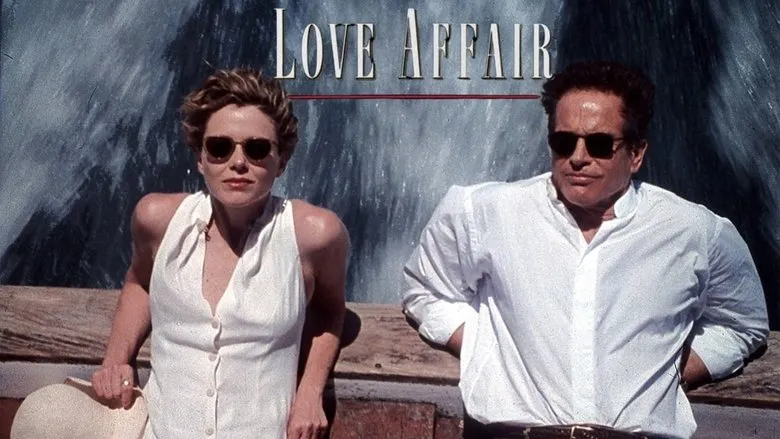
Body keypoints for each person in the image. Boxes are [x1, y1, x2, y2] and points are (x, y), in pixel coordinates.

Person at [401, 60, 769, 439]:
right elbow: (425, 291)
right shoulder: (482, 212)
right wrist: (484, 348)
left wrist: (671, 369)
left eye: (599, 144)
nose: (578, 157)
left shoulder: (696, 232)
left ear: (636, 154)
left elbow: (742, 323)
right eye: (564, 142)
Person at [92, 68, 349, 439]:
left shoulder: (314, 234)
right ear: (200, 158)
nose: (238, 161)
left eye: (257, 149)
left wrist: (309, 394)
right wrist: (116, 358)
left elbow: (329, 310)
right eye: (219, 147)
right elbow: (140, 283)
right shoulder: (157, 219)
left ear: (282, 161)